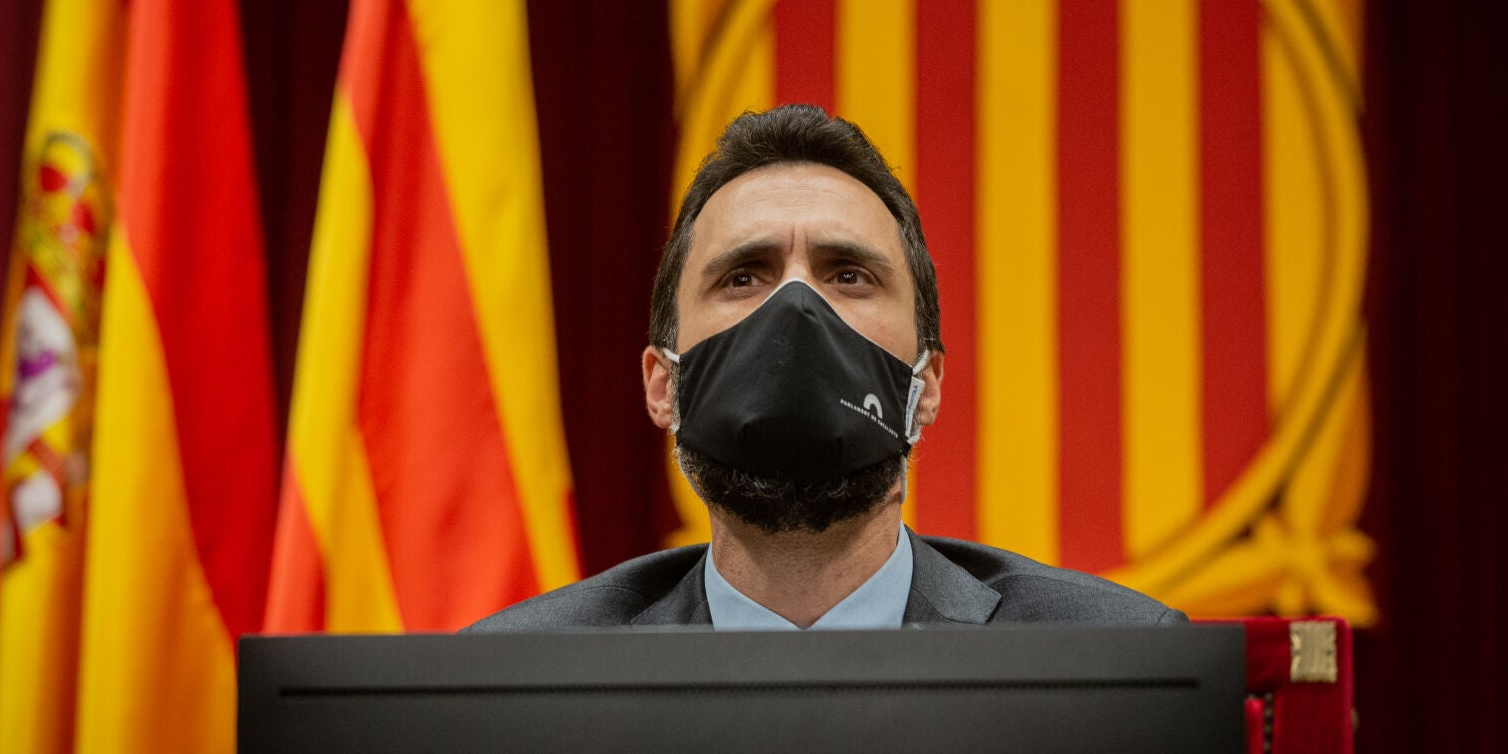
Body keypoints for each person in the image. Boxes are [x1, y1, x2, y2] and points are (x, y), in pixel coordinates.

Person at [469, 104, 1185, 630]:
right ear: (662, 383)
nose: (796, 310)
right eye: (743, 276)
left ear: (926, 384)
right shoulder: (525, 678)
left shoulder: (1114, 659)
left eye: (847, 274)